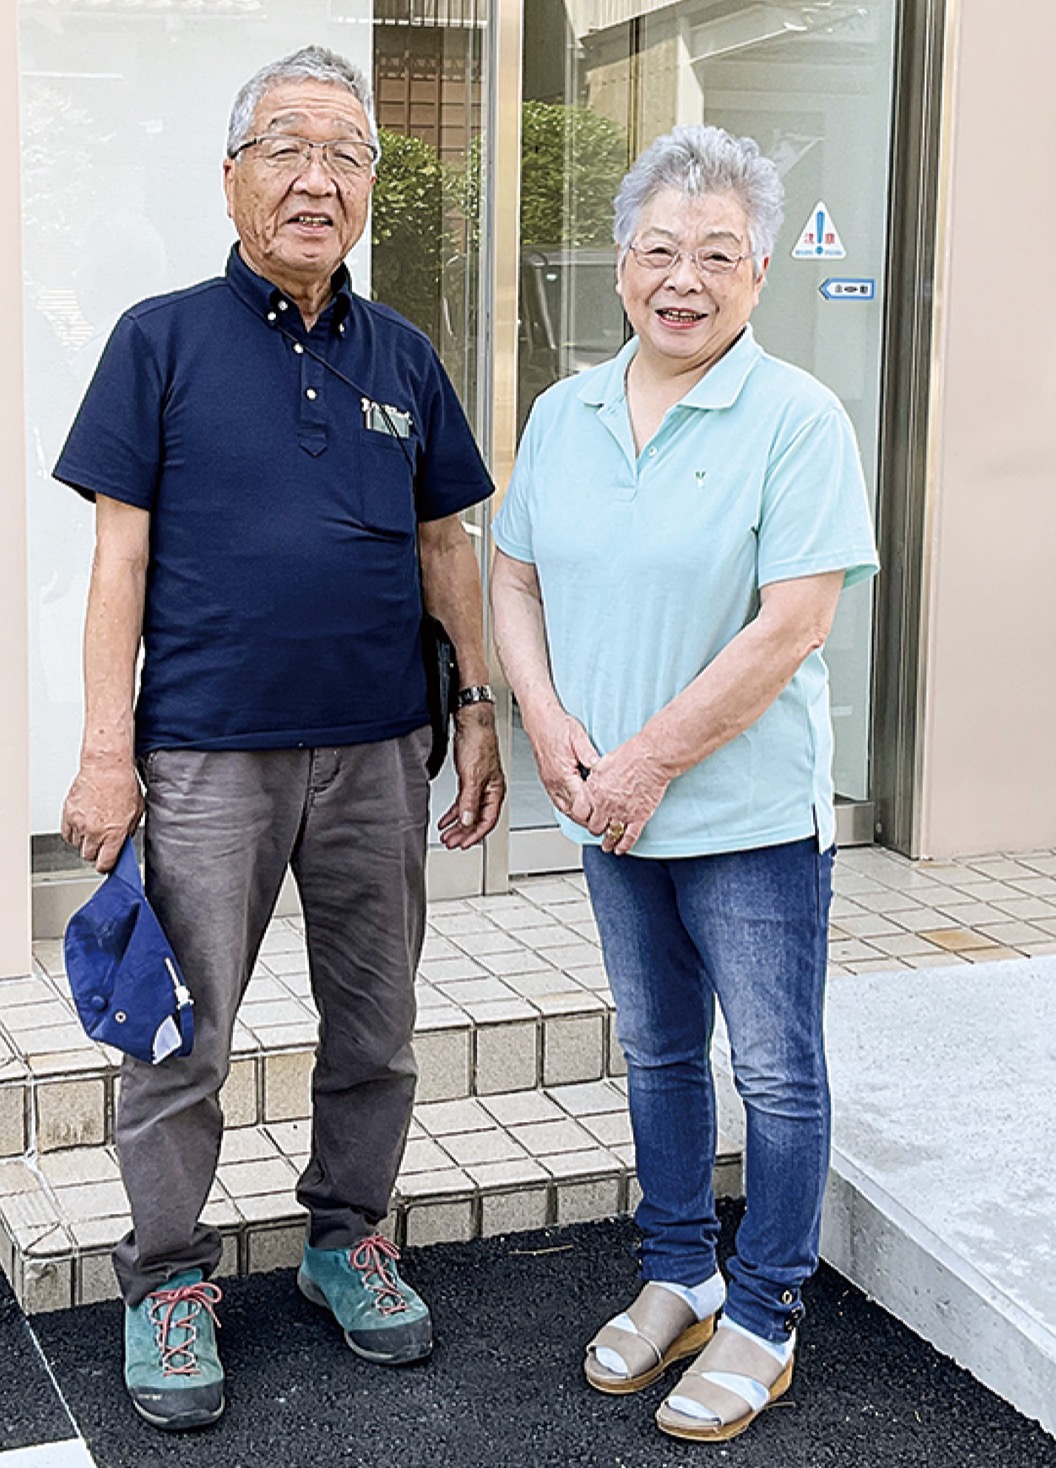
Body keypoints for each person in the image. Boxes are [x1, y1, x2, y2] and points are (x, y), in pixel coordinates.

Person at [57, 45, 504, 1432]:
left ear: (370, 187)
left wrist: (478, 708)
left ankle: (345, 1238)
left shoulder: (405, 357)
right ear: (235, 174)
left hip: (378, 750)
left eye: (349, 155)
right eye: (288, 146)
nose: (319, 177)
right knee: (185, 1037)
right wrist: (103, 750)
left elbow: (446, 543)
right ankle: (165, 1278)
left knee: (375, 1026)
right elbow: (116, 564)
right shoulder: (161, 337)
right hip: (205, 755)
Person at [491, 124, 878, 1443]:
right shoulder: (565, 413)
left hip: (745, 818)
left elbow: (795, 624)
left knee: (774, 1069)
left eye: (718, 254)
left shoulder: (798, 419)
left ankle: (764, 1316)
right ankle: (680, 1272)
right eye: (661, 249)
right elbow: (517, 576)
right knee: (657, 1051)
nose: (685, 277)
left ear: (761, 272)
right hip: (606, 805)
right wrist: (547, 727)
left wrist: (646, 762)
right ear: (618, 264)